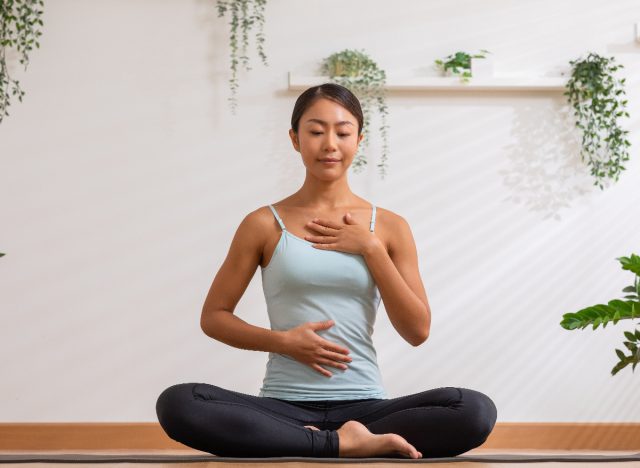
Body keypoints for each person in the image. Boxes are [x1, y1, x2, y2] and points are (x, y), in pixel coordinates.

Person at [156, 83, 497, 459]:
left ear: (359, 139)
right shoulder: (263, 224)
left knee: (475, 410)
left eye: (343, 132)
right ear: (295, 139)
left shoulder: (389, 227)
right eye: (316, 131)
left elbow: (417, 331)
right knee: (179, 402)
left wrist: (370, 248)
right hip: (284, 407)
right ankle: (340, 444)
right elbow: (214, 317)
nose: (330, 144)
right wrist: (283, 342)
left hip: (367, 408)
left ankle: (320, 441)